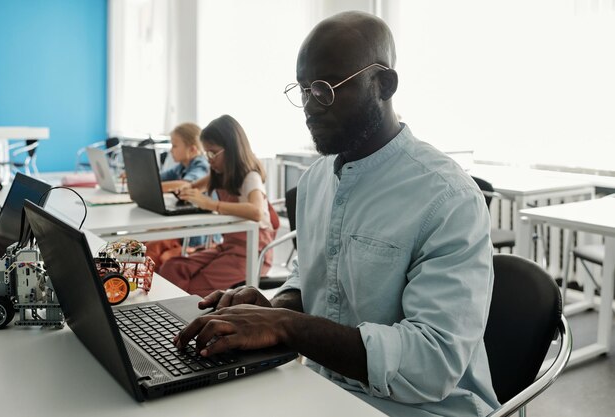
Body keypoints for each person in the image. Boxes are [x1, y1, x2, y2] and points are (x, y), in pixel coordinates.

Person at [173, 11, 499, 417]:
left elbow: (431, 364)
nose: (309, 106)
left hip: (426, 408)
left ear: (383, 84)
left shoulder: (448, 197)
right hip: (324, 388)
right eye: (303, 89)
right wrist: (273, 309)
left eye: (325, 90)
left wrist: (284, 327)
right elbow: (312, 276)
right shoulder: (314, 182)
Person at [159, 114, 277, 296]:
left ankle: (184, 319)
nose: (209, 159)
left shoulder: (249, 177)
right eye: (206, 153)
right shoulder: (220, 172)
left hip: (252, 253)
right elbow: (191, 185)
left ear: (231, 150)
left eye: (213, 153)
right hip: (228, 247)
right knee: (173, 267)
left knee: (195, 287)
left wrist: (211, 204)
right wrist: (186, 191)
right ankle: (165, 318)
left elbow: (256, 212)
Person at [145, 122, 210, 268]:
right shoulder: (182, 166)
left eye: (175, 146)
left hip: (196, 238)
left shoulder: (201, 166)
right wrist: (138, 176)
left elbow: (185, 185)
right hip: (182, 230)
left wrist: (152, 187)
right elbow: (157, 177)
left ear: (192, 149)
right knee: (141, 243)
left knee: (151, 251)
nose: (171, 150)